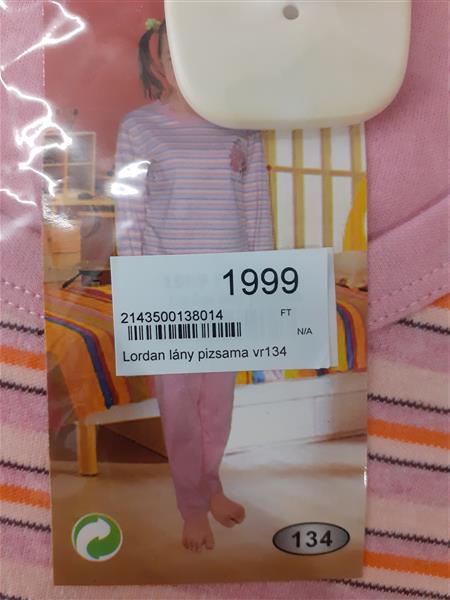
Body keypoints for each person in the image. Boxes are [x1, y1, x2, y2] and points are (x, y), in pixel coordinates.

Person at [113, 18, 273, 552]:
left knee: (218, 401)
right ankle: (192, 505)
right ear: (157, 65)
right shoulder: (140, 127)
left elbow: (256, 211)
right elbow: (130, 214)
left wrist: (261, 284)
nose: (179, 64)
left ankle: (211, 484)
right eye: (169, 56)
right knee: (179, 401)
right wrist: (136, 287)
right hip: (167, 287)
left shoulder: (242, 127)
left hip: (227, 285)